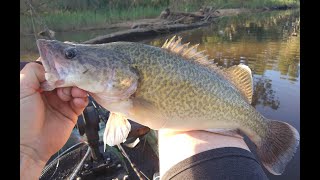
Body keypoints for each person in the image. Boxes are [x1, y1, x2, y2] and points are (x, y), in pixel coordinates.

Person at [20, 62, 268, 180]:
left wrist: (27, 153)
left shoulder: (122, 92)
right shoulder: (118, 95)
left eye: (71, 54)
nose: (66, 58)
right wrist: (27, 150)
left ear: (122, 74)